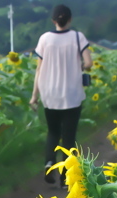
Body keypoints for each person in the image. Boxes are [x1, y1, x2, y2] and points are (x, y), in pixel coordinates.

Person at [29, 4, 93, 186]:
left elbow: (39, 69)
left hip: (49, 93)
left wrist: (34, 96)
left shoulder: (45, 39)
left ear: (54, 21)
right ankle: (66, 178)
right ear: (70, 20)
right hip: (72, 94)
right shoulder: (77, 37)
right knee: (69, 136)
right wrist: (78, 66)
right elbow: (89, 63)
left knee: (53, 131)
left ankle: (49, 163)